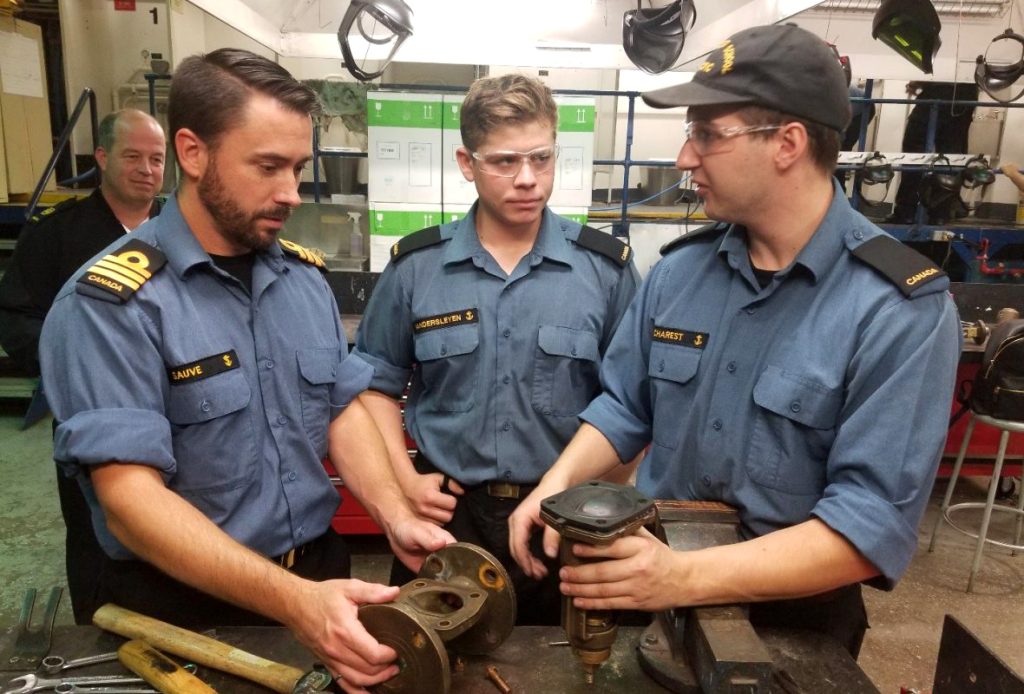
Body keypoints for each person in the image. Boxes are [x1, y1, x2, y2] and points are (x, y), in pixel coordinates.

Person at [508, 24, 961, 658]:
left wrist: (680, 578)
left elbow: (869, 524)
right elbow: (625, 406)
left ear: (788, 143)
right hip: (655, 601)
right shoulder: (679, 272)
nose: (684, 158)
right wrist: (552, 484)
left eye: (706, 135)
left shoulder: (897, 308)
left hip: (792, 625)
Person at [39, 48, 452, 692]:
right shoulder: (111, 304)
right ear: (193, 152)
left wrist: (393, 514)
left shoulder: (303, 280)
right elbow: (129, 502)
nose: (291, 191)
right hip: (184, 612)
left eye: (297, 167)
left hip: (318, 575)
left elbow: (338, 409)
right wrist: (292, 603)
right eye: (267, 166)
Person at [352, 74, 639, 625]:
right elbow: (374, 386)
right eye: (504, 162)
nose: (527, 179)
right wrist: (402, 481)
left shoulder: (605, 271)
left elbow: (633, 406)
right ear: (467, 163)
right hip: (448, 524)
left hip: (567, 524)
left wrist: (603, 508)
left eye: (541, 158)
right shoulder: (417, 268)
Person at [0, 108, 165, 624]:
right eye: (132, 156)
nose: (146, 169)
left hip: (173, 409)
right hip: (89, 414)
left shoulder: (180, 229)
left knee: (166, 524)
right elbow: (17, 315)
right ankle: (98, 625)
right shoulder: (57, 235)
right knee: (95, 524)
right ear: (101, 158)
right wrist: (68, 372)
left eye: (156, 159)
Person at [888, 81, 978, 224]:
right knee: (951, 156)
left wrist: (920, 82)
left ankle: (906, 211)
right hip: (966, 96)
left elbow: (940, 67)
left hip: (938, 92)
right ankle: (941, 213)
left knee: (915, 151)